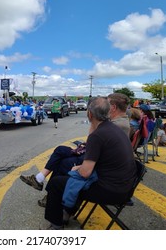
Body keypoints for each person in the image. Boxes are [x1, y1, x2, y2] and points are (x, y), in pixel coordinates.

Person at [20, 93, 131, 207]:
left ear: (112, 107)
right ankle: (42, 183)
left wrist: (94, 119)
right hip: (103, 163)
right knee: (61, 151)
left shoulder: (116, 125)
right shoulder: (116, 123)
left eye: (107, 104)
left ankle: (49, 193)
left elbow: (93, 141)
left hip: (102, 171)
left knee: (63, 162)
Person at [42, 97, 137, 229]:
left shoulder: (98, 135)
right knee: (70, 176)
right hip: (124, 187)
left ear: (90, 114)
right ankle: (66, 213)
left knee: (56, 183)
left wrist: (77, 169)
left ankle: (56, 225)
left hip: (111, 191)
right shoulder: (112, 128)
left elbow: (85, 173)